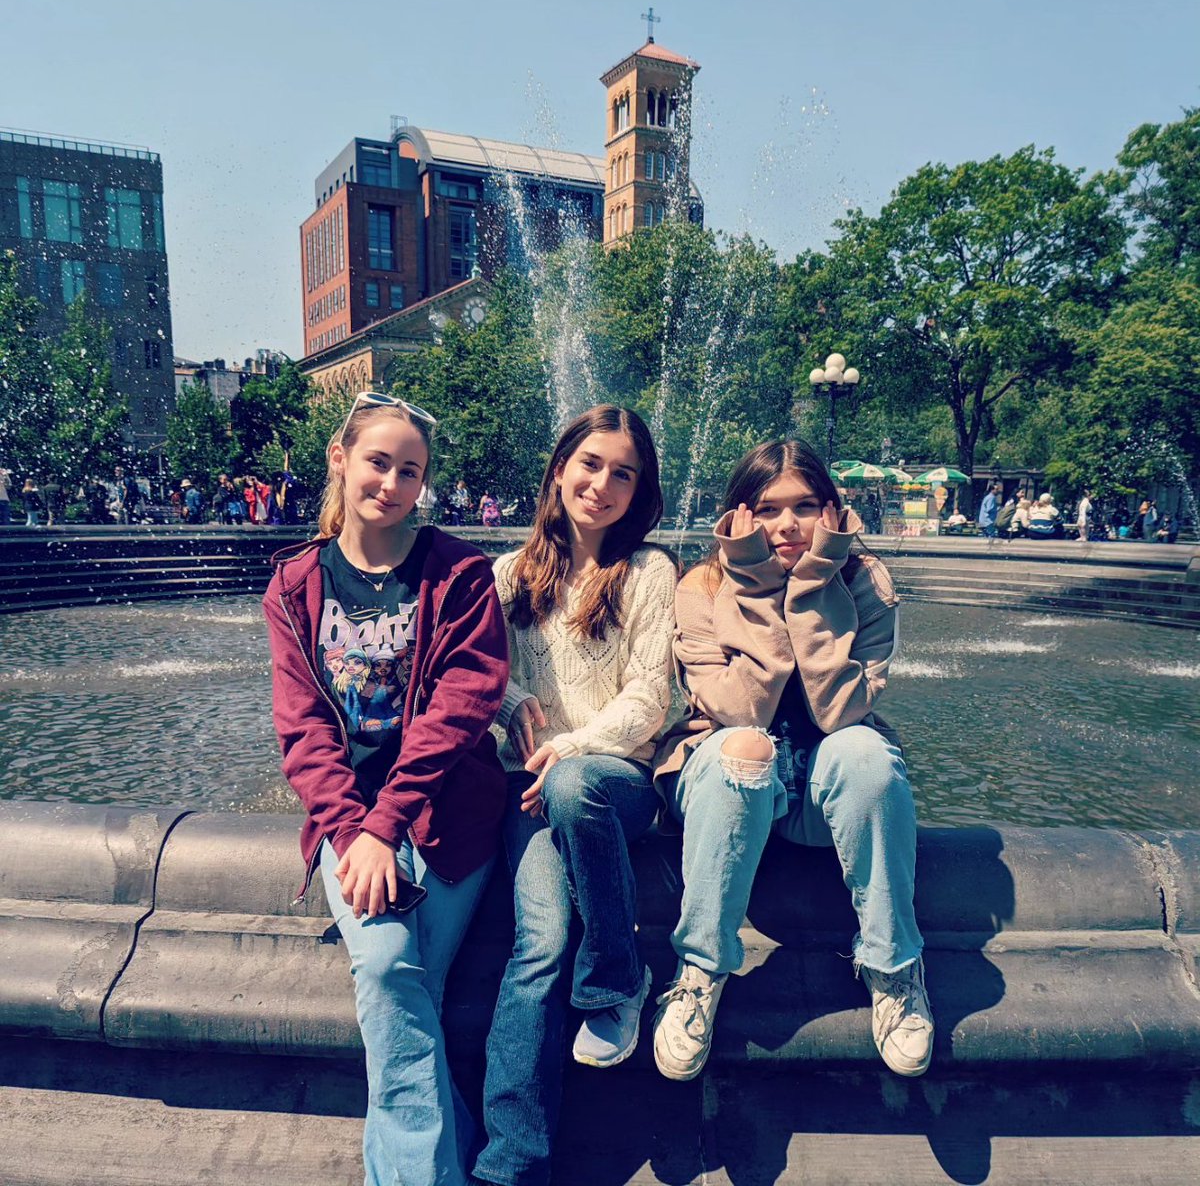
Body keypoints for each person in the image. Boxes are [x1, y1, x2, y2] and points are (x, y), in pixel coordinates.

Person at [263, 390, 509, 1186]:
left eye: (411, 471)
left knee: (405, 994)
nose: (392, 483)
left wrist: (387, 824)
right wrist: (351, 829)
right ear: (340, 460)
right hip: (349, 821)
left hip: (447, 814)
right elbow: (301, 730)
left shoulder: (459, 573)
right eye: (378, 462)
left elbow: (462, 708)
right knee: (388, 972)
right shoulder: (295, 583)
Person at [651, 437, 933, 1084]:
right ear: (739, 514)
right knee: (745, 747)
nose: (785, 524)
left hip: (820, 795)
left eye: (804, 506)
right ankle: (699, 974)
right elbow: (737, 709)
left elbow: (840, 711)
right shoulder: (701, 587)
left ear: (832, 512)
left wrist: (808, 588)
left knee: (864, 753)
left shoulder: (864, 582)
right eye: (767, 507)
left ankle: (893, 968)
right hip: (725, 779)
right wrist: (753, 582)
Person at [471, 406, 676, 1186]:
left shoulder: (651, 572)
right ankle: (509, 1166)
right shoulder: (506, 574)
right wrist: (514, 704)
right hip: (533, 794)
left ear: (639, 489)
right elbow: (479, 679)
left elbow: (649, 698)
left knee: (580, 784)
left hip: (612, 780)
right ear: (560, 468)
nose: (603, 484)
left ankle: (617, 978)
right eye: (591, 463)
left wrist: (570, 748)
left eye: (624, 473)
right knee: (537, 949)